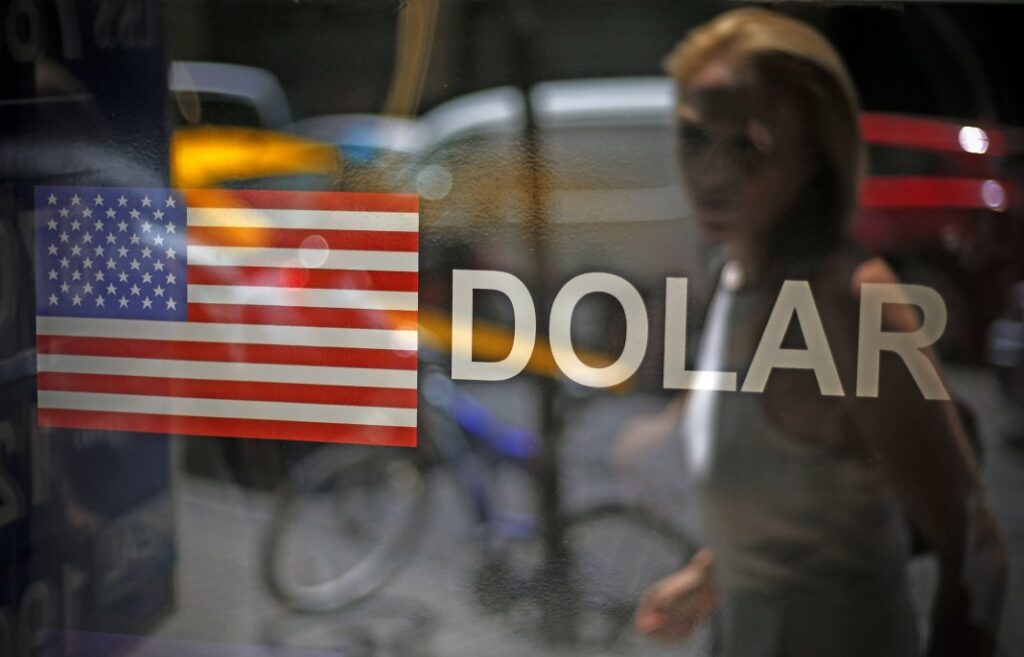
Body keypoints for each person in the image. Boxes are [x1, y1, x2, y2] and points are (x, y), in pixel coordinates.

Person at [629, 9, 1007, 657]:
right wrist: (711, 578)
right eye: (693, 138)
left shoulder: (851, 303)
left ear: (812, 155)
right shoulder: (736, 278)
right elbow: (798, 507)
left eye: (745, 146)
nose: (711, 171)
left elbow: (974, 546)